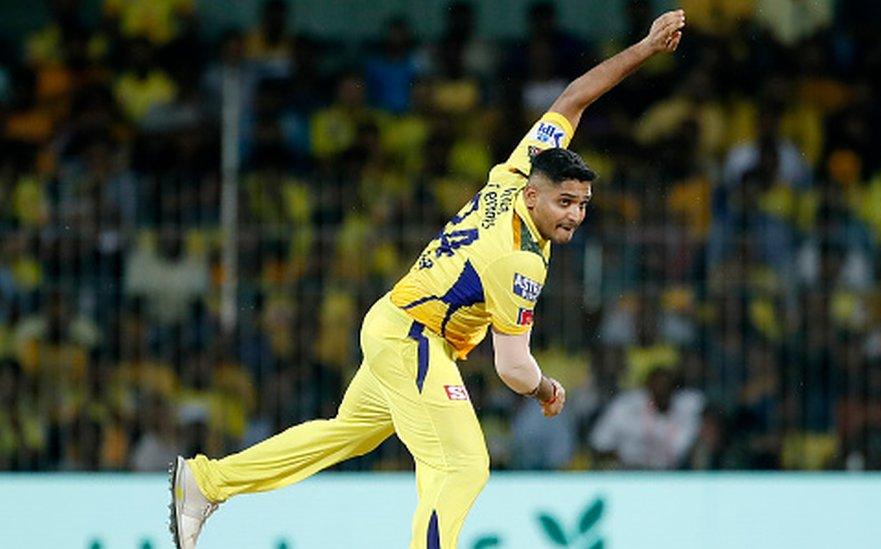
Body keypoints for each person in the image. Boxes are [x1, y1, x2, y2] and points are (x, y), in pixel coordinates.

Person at [169, 9, 685, 549]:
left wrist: (646, 49)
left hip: (396, 324)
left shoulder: (516, 170)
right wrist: (547, 388)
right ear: (534, 196)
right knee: (463, 467)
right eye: (565, 202)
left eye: (582, 204)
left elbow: (574, 97)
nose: (575, 215)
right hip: (417, 339)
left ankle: (206, 481)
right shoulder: (517, 260)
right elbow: (512, 368)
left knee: (342, 436)